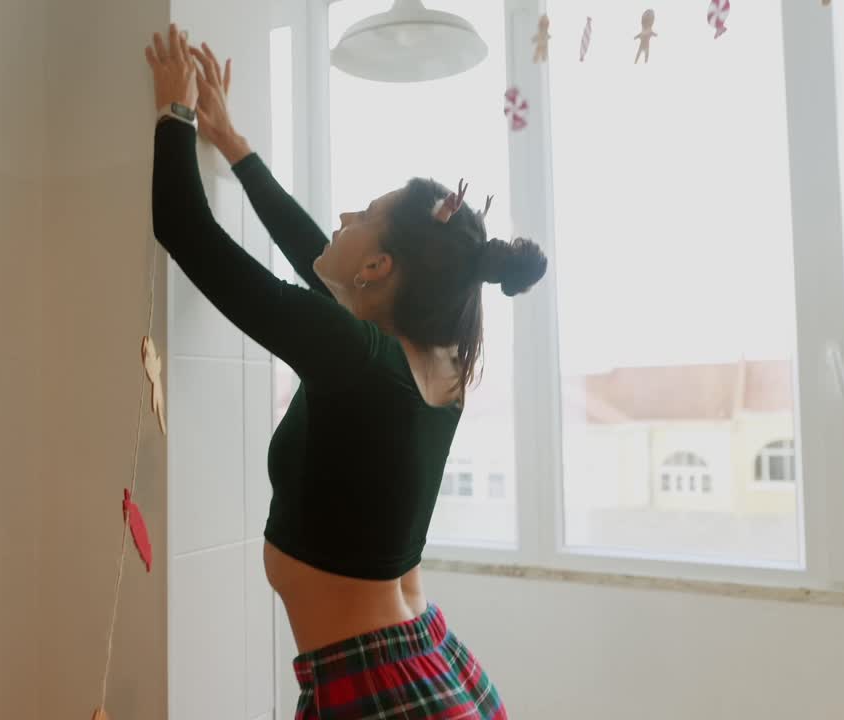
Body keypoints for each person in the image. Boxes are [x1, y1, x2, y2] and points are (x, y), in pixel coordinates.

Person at [145, 24, 546, 719]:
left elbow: (186, 231)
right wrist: (236, 148)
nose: (344, 213)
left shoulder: (361, 358)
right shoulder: (434, 362)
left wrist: (173, 111)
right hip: (415, 655)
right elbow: (316, 255)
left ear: (377, 268)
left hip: (382, 683)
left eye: (364, 213)